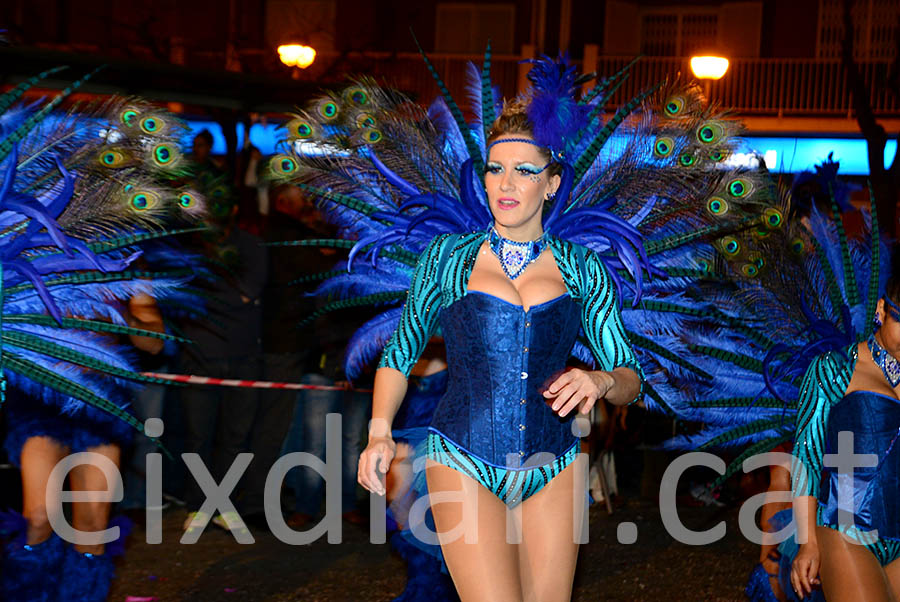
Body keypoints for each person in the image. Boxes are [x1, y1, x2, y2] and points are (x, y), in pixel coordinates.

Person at [356, 99, 643, 600]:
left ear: (553, 183)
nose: (506, 184)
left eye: (525, 171)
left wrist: (600, 380)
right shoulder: (447, 259)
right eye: (495, 169)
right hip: (461, 456)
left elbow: (630, 378)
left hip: (554, 462)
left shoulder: (583, 269)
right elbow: (401, 353)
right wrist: (379, 432)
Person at [790, 274, 900, 601]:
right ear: (882, 309)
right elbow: (805, 458)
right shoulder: (834, 368)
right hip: (846, 532)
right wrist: (807, 542)